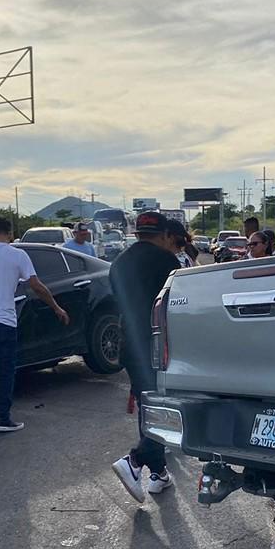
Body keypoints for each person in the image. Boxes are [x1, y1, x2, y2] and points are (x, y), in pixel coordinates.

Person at [0, 216, 70, 433]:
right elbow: (36, 286)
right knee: (6, 369)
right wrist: (56, 307)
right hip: (5, 320)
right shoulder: (18, 255)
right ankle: (3, 418)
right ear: (10, 233)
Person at [109, 211, 180, 503]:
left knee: (148, 405)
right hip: (158, 345)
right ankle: (135, 460)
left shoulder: (118, 263)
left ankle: (159, 474)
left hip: (129, 344)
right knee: (164, 409)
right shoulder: (168, 263)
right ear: (163, 235)